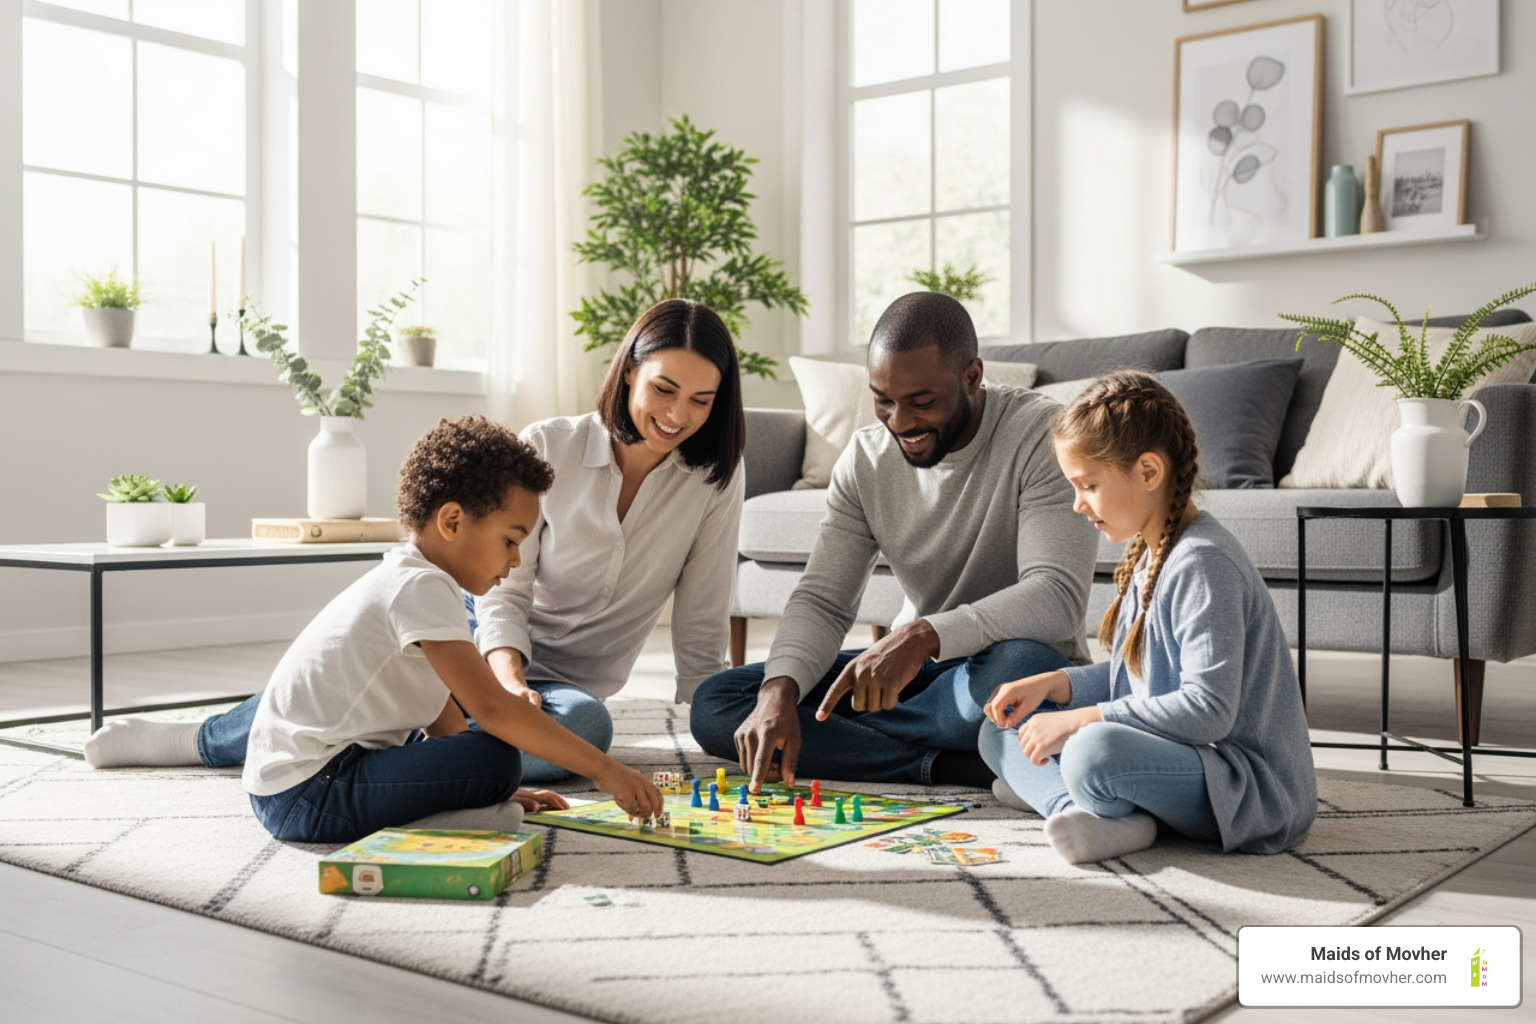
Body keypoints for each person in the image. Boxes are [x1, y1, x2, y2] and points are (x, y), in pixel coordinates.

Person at [84, 298, 745, 782]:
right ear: (628, 372)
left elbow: (702, 615)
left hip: (570, 689)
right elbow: (502, 589)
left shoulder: (715, 478)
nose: (677, 415)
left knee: (584, 729)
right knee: (405, 694)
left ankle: (405, 736)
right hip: (476, 636)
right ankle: (203, 738)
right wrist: (506, 678)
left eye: (701, 400)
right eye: (664, 388)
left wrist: (703, 725)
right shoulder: (552, 447)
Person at [689, 291, 1100, 791]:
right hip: (917, 682)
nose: (900, 422)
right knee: (719, 704)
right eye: (883, 399)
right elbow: (823, 599)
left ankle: (910, 743)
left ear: (973, 375)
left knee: (1019, 670)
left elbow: (1055, 595)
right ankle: (959, 764)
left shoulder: (1044, 437)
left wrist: (922, 634)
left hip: (1008, 669)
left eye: (921, 402)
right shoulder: (865, 459)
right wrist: (779, 693)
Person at [241, 415, 662, 843]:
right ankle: (433, 825)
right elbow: (492, 709)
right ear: (453, 522)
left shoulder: (415, 580)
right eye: (510, 541)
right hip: (310, 793)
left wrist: (475, 787)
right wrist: (605, 770)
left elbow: (445, 726)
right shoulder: (421, 586)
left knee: (487, 765)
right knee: (495, 757)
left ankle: (461, 811)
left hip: (292, 790)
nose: (516, 561)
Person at [979, 371, 1315, 864]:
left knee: (1090, 750)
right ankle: (1083, 808)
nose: (1078, 504)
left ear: (1149, 472)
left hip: (1244, 786)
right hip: (1182, 757)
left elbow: (1207, 710)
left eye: (1088, 485)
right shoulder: (1148, 553)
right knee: (998, 728)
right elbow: (1138, 683)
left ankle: (1072, 799)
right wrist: (1054, 686)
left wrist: (1081, 719)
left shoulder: (1203, 562)